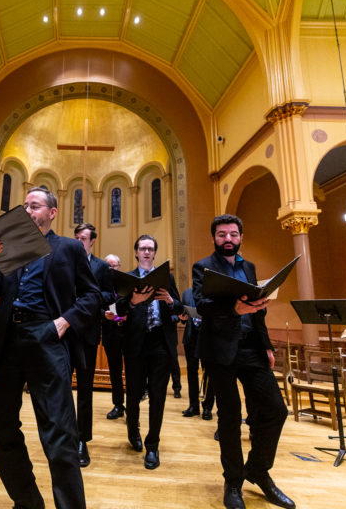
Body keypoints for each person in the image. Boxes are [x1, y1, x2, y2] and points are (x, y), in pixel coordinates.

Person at [0, 186, 100, 509]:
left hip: (46, 336)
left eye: (35, 205)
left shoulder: (69, 248)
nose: (28, 210)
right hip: (8, 339)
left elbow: (91, 296)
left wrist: (63, 322)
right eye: (25, 205)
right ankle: (28, 500)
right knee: (0, 427)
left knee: (59, 432)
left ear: (52, 213)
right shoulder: (12, 247)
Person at [192, 214, 294, 509]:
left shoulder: (248, 267)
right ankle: (233, 481)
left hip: (251, 349)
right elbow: (201, 305)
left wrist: (267, 346)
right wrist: (233, 309)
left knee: (275, 410)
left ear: (240, 238)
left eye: (233, 234)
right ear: (214, 238)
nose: (228, 239)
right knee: (230, 418)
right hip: (219, 351)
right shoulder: (203, 266)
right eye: (222, 234)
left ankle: (258, 470)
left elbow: (258, 309)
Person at [116, 235, 182, 470]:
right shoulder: (129, 278)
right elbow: (120, 308)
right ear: (136, 252)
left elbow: (180, 306)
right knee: (133, 394)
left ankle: (152, 444)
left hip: (160, 343)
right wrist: (133, 301)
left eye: (150, 249)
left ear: (155, 253)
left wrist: (171, 301)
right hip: (135, 343)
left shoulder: (167, 277)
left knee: (158, 396)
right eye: (142, 248)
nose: (146, 252)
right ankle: (133, 431)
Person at [72, 222, 115, 467]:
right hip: (65, 333)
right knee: (61, 388)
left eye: (84, 238)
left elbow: (110, 295)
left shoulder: (101, 267)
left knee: (85, 390)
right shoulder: (65, 261)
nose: (79, 241)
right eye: (76, 237)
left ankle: (82, 440)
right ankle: (65, 435)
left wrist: (90, 297)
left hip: (88, 333)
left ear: (92, 241)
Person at [180, 288, 214, 420]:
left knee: (209, 374)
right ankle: (193, 406)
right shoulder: (187, 293)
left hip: (208, 338)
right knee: (191, 373)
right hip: (191, 337)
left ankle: (207, 407)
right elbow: (183, 318)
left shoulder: (212, 292)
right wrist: (182, 317)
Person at [102, 254, 126, 420]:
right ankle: (118, 405)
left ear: (119, 266)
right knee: (115, 372)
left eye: (114, 266)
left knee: (132, 370)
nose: (111, 269)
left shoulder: (127, 285)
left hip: (128, 332)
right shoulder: (101, 286)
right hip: (111, 332)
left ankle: (133, 404)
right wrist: (103, 314)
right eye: (108, 266)